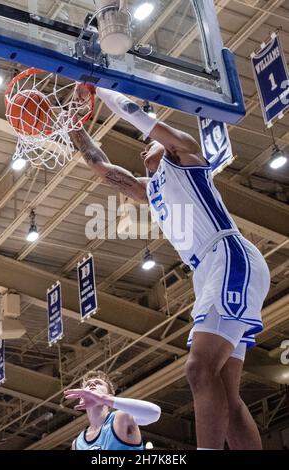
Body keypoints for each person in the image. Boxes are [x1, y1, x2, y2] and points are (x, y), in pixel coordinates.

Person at [70, 85, 271, 450]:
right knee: (226, 392)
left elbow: (136, 114)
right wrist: (73, 124)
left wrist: (98, 84)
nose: (144, 146)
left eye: (150, 142)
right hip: (210, 269)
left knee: (197, 369)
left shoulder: (185, 152)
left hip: (226, 254)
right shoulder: (153, 188)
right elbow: (103, 168)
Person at [64, 370, 161, 450]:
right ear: (81, 399)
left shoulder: (121, 418)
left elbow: (154, 413)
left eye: (98, 383)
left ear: (109, 396)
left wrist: (103, 399)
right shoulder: (77, 444)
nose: (92, 384)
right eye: (88, 385)